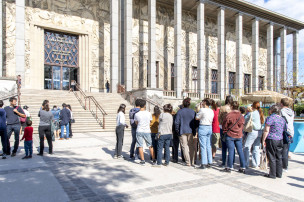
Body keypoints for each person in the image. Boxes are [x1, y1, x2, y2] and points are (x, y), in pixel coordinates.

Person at [262, 104, 285, 179]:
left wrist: (263, 140)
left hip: (271, 138)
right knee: (279, 156)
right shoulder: (282, 119)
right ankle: (279, 173)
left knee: (271, 156)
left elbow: (266, 130)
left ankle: (272, 174)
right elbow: (285, 129)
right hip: (280, 139)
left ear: (272, 110)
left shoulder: (270, 118)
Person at [222, 101, 246, 173]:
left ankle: (230, 167)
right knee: (240, 151)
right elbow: (242, 125)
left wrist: (225, 131)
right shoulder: (241, 116)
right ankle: (243, 166)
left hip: (230, 134)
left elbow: (224, 125)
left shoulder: (229, 115)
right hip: (238, 135)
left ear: (231, 106)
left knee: (231, 151)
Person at [175, 98, 197, 167]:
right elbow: (195, 122)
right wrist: (194, 130)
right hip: (190, 130)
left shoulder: (180, 112)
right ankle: (192, 160)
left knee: (184, 146)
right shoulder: (193, 112)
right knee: (191, 146)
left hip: (182, 130)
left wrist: (177, 130)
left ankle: (188, 161)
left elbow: (176, 122)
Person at [243, 101, 264, 169]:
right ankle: (256, 164)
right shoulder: (260, 113)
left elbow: (244, 119)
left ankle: (245, 163)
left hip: (253, 131)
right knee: (256, 147)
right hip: (260, 131)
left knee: (246, 147)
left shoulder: (252, 113)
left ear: (253, 106)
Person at [134, 99, 156, 165]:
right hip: (147, 130)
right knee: (150, 145)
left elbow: (136, 123)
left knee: (140, 145)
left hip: (139, 130)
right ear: (144, 105)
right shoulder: (149, 113)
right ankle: (153, 159)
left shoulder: (137, 114)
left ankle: (142, 160)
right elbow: (150, 121)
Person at [195, 98, 214, 169]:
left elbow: (197, 117)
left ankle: (204, 163)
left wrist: (198, 109)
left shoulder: (202, 110)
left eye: (203, 102)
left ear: (205, 102)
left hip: (203, 126)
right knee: (208, 145)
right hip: (209, 127)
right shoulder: (211, 110)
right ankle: (210, 161)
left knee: (203, 145)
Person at [218, 95, 234, 167]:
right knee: (232, 147)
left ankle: (224, 162)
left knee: (224, 146)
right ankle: (232, 162)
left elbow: (219, 118)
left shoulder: (222, 108)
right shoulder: (233, 108)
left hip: (224, 127)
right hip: (232, 128)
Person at [280, 98, 295, 172]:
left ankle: (284, 166)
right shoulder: (292, 111)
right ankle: (285, 165)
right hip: (291, 131)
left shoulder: (281, 111)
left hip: (284, 131)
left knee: (283, 149)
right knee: (286, 148)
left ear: (281, 104)